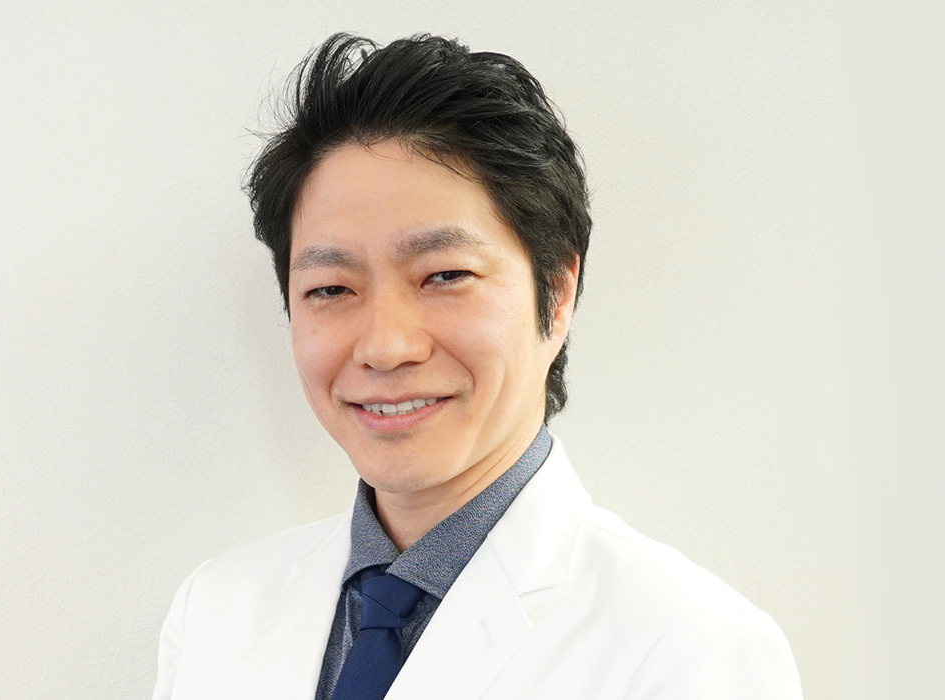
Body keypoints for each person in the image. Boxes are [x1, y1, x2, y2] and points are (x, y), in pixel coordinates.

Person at [152, 33, 802, 700]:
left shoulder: (689, 649)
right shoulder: (213, 614)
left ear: (557, 292)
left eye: (444, 275)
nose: (385, 346)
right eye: (331, 288)